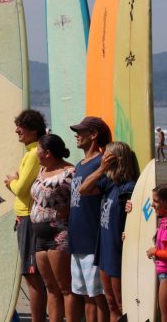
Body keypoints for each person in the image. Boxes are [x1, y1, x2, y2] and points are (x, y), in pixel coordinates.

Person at [79, 141, 138, 321]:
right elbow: (83, 189)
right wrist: (101, 170)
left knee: (122, 305)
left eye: (107, 155)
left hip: (117, 251)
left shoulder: (130, 188)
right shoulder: (108, 183)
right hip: (104, 249)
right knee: (111, 302)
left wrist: (132, 209)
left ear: (116, 159)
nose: (102, 158)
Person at [3, 109, 47, 322]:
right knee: (32, 275)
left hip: (29, 216)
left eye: (21, 126)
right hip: (26, 216)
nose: (16, 130)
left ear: (33, 130)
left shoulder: (33, 154)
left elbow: (21, 189)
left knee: (31, 274)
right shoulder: (31, 152)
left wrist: (10, 181)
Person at [68, 116, 112, 321]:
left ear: (93, 135)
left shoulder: (101, 162)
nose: (76, 135)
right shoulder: (80, 163)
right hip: (77, 240)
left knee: (99, 296)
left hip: (93, 239)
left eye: (81, 131)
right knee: (85, 295)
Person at [31, 134, 76, 322]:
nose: (35, 153)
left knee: (65, 287)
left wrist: (69, 209)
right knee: (50, 287)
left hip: (59, 234)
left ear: (47, 152)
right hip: (39, 235)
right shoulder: (42, 170)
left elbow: (79, 199)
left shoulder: (69, 172)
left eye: (38, 149)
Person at [146, 184, 167, 322]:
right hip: (162, 275)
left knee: (165, 316)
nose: (152, 205)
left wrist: (156, 252)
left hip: (166, 276)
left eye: (156, 201)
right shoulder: (163, 221)